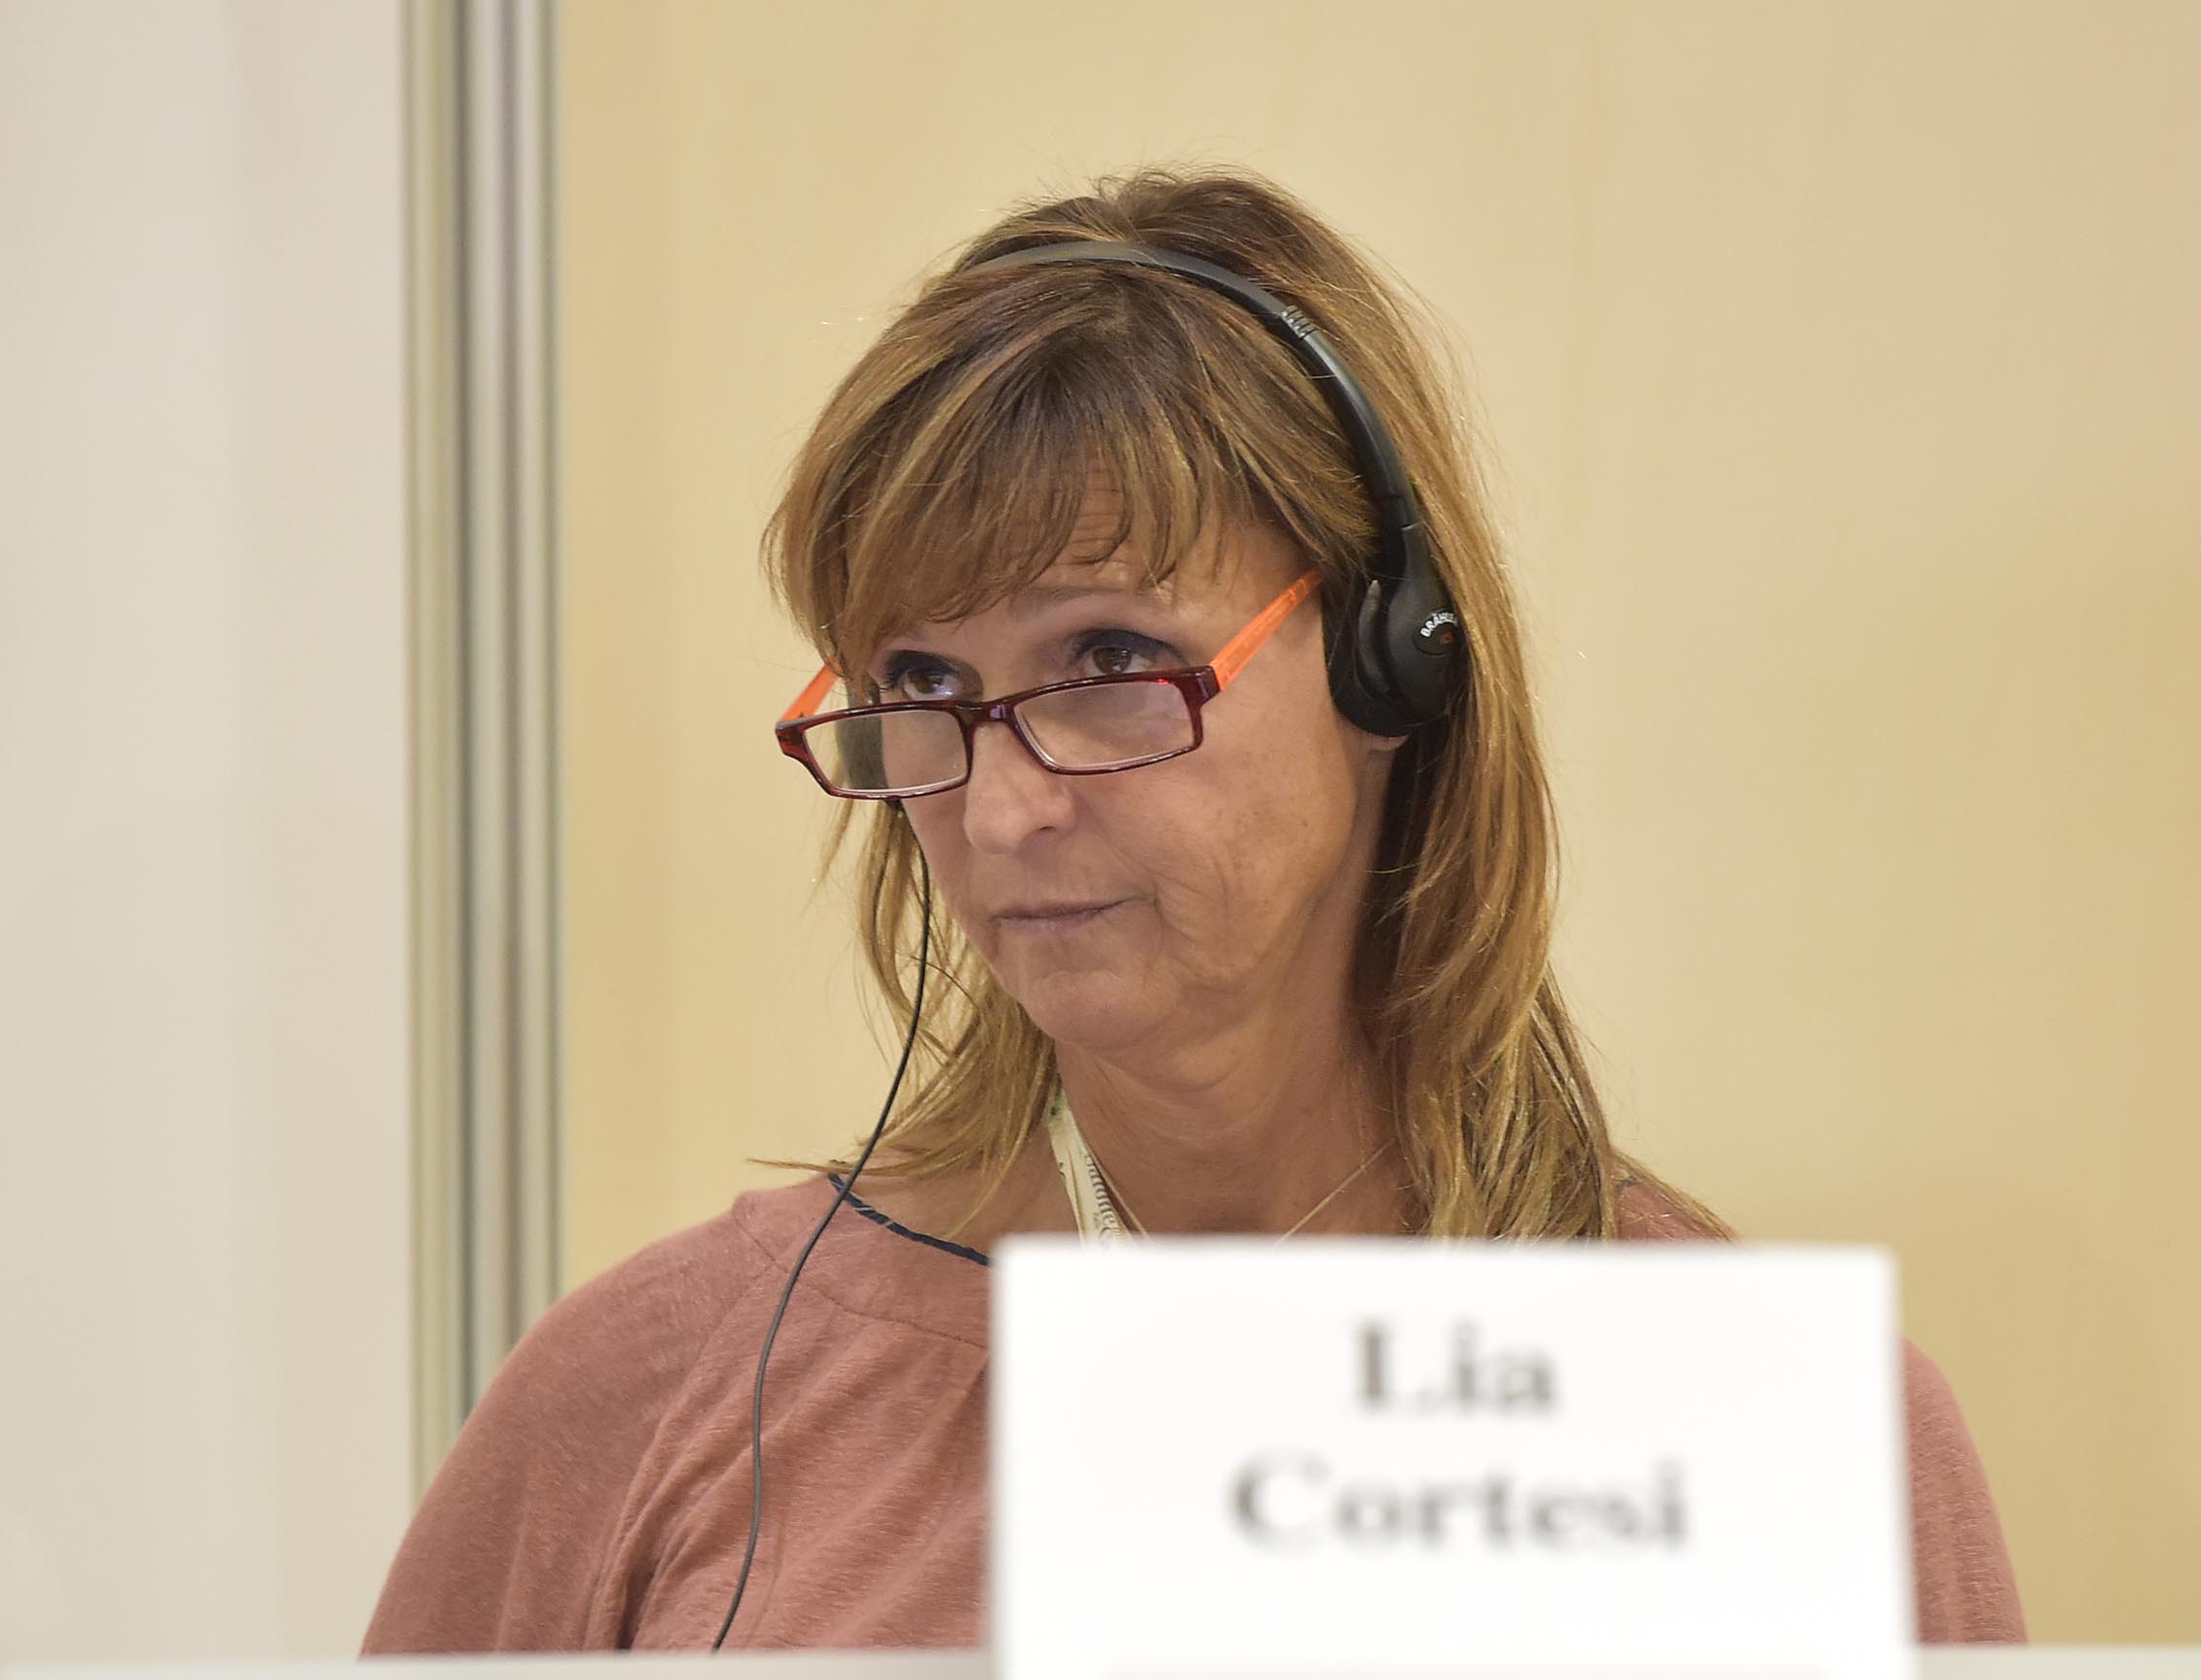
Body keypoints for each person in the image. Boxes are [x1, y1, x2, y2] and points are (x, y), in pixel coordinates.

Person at [363, 167, 2026, 1653]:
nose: (999, 809)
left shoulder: (1770, 1436)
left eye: (1108, 658)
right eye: (924, 683)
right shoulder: (650, 1389)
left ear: (1392, 664)